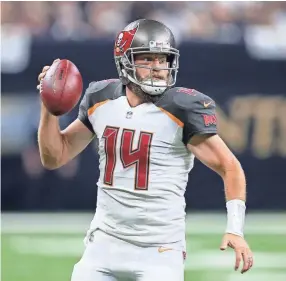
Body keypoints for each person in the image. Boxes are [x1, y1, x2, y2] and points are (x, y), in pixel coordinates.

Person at [37, 19, 253, 281]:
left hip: (159, 250)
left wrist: (235, 229)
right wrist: (48, 107)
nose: (158, 68)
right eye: (147, 59)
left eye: (163, 59)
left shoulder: (182, 107)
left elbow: (230, 167)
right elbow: (54, 156)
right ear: (125, 61)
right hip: (103, 244)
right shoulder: (101, 98)